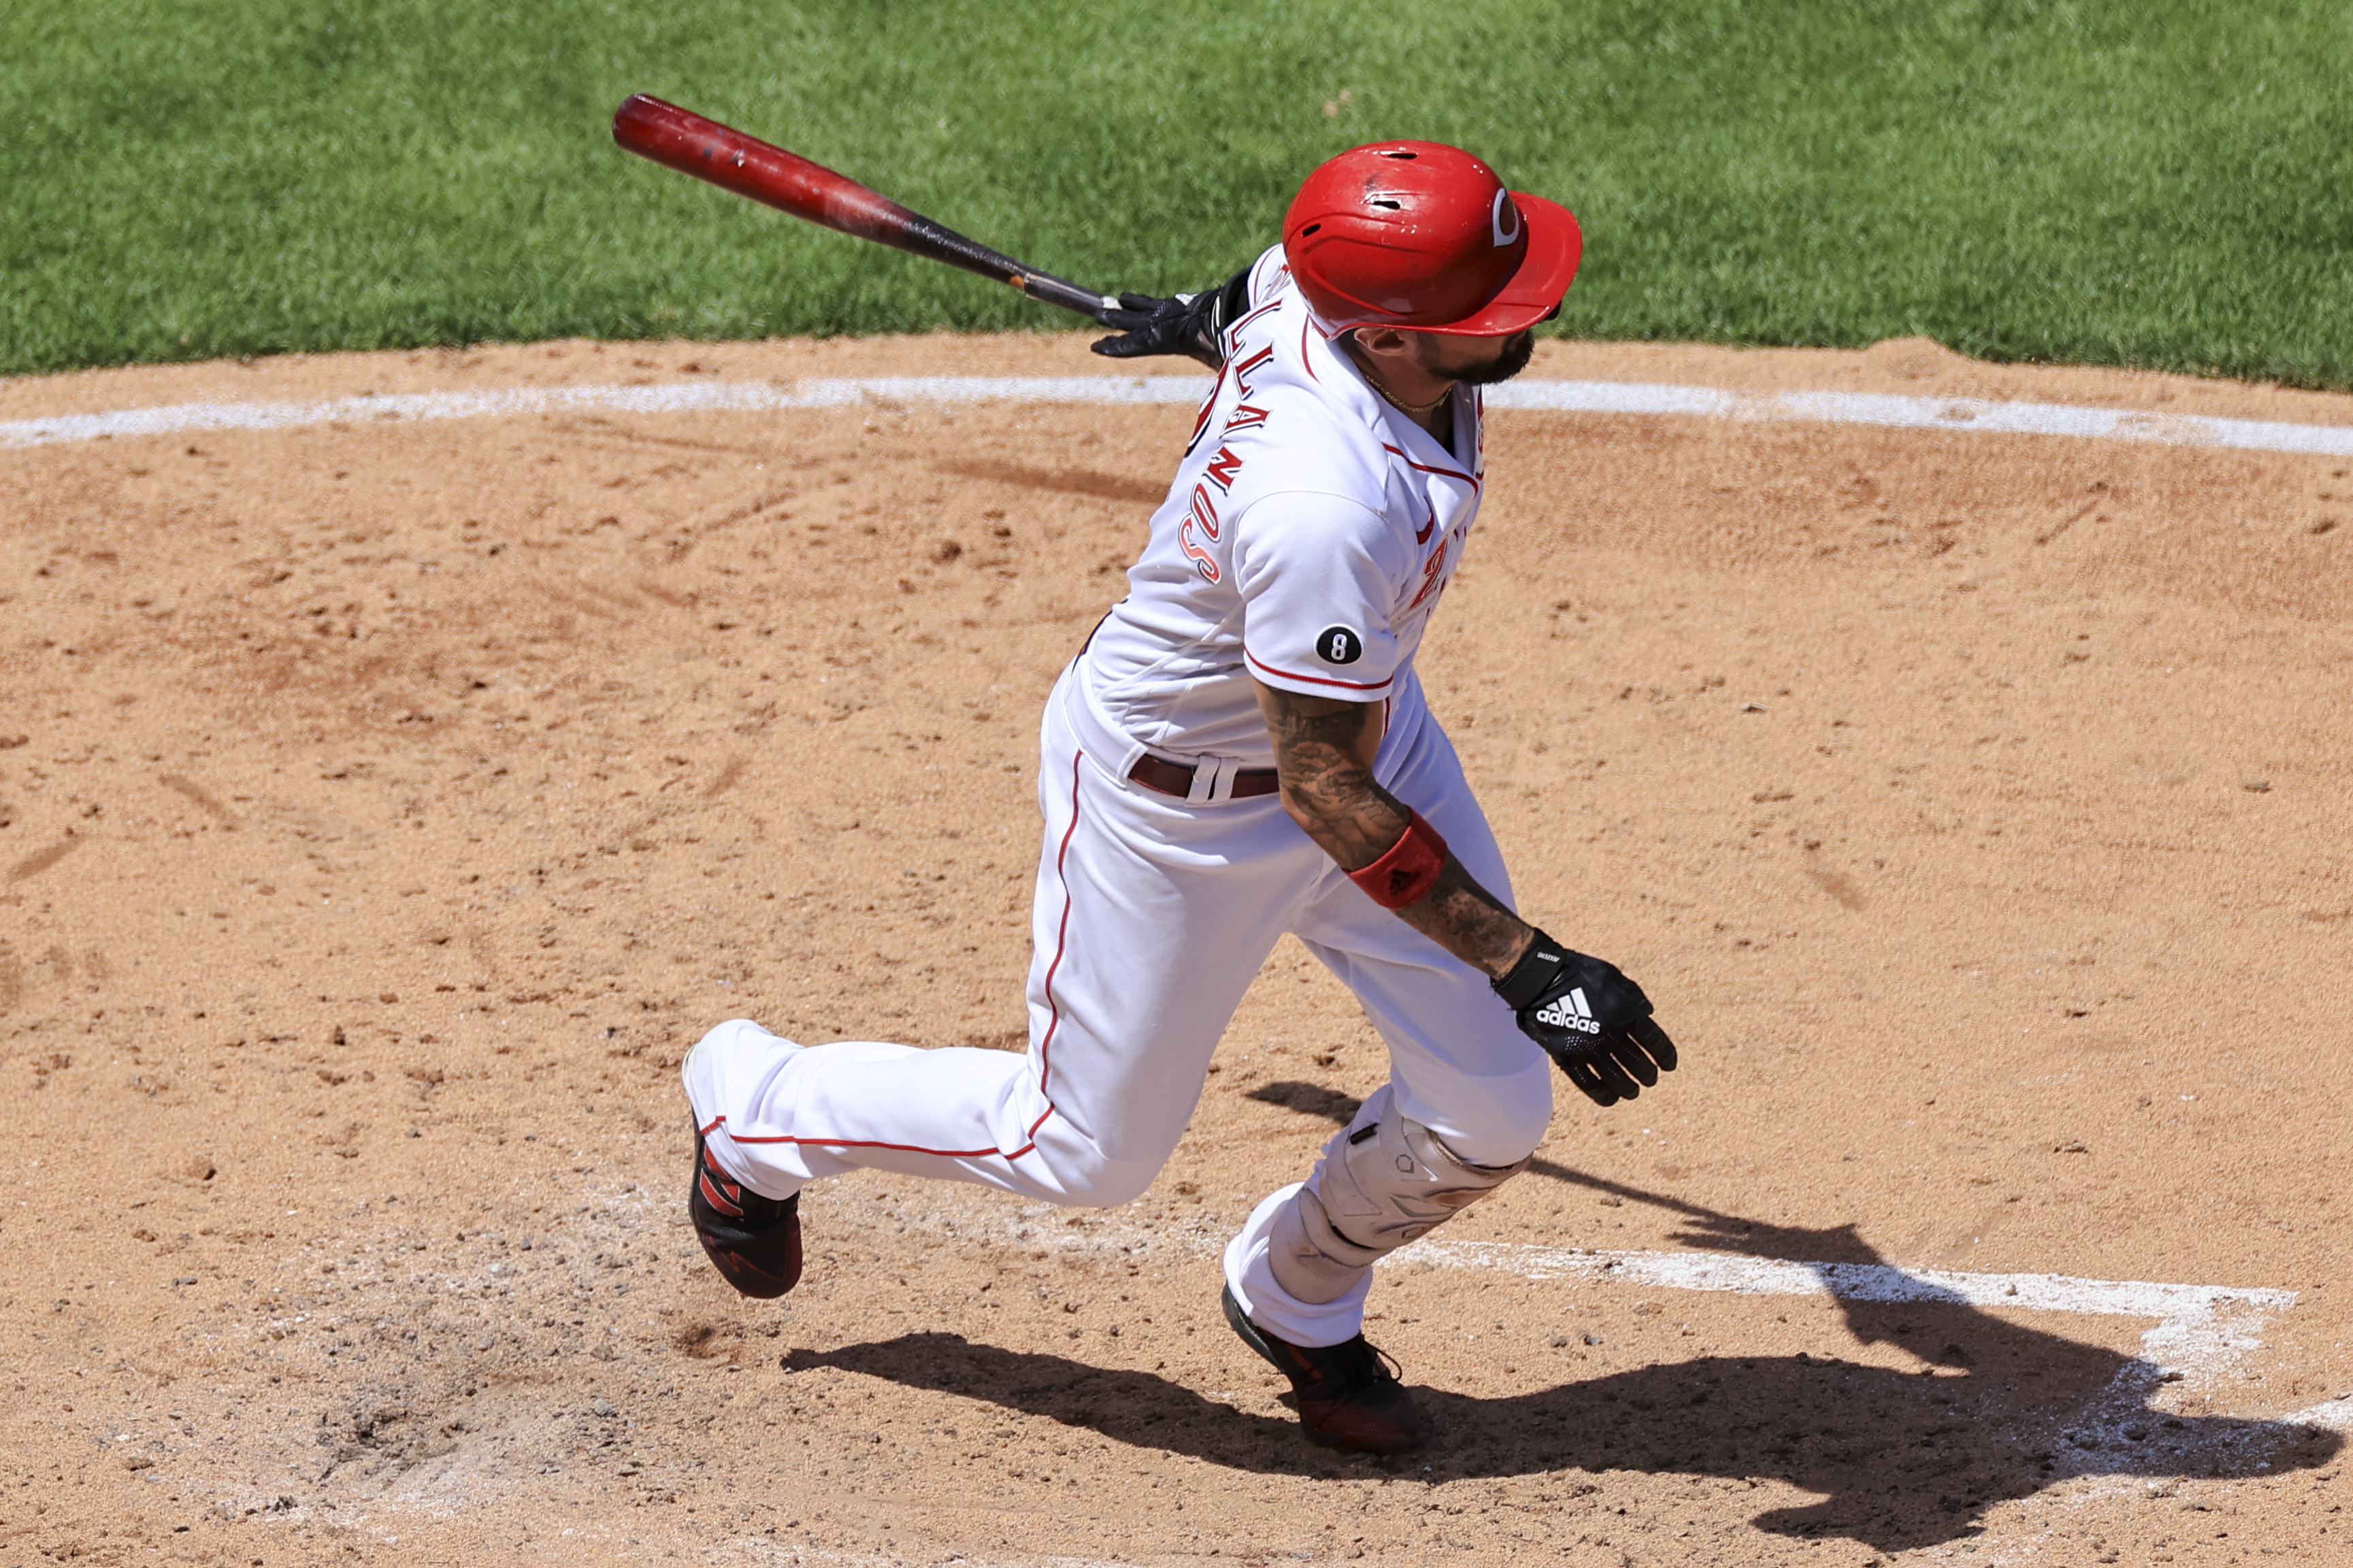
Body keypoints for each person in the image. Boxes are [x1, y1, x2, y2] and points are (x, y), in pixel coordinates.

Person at [681, 141, 1680, 1456]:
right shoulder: (1322, 507)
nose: (1526, 318)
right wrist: (1528, 961)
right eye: (1485, 315)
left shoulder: (1315, 292)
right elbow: (1322, 793)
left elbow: (1259, 287)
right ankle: (753, 1110)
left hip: (1362, 743)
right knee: (1081, 1153)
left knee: (1492, 1102)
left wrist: (1206, 316)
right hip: (1183, 804)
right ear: (1377, 335)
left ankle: (1296, 1294)